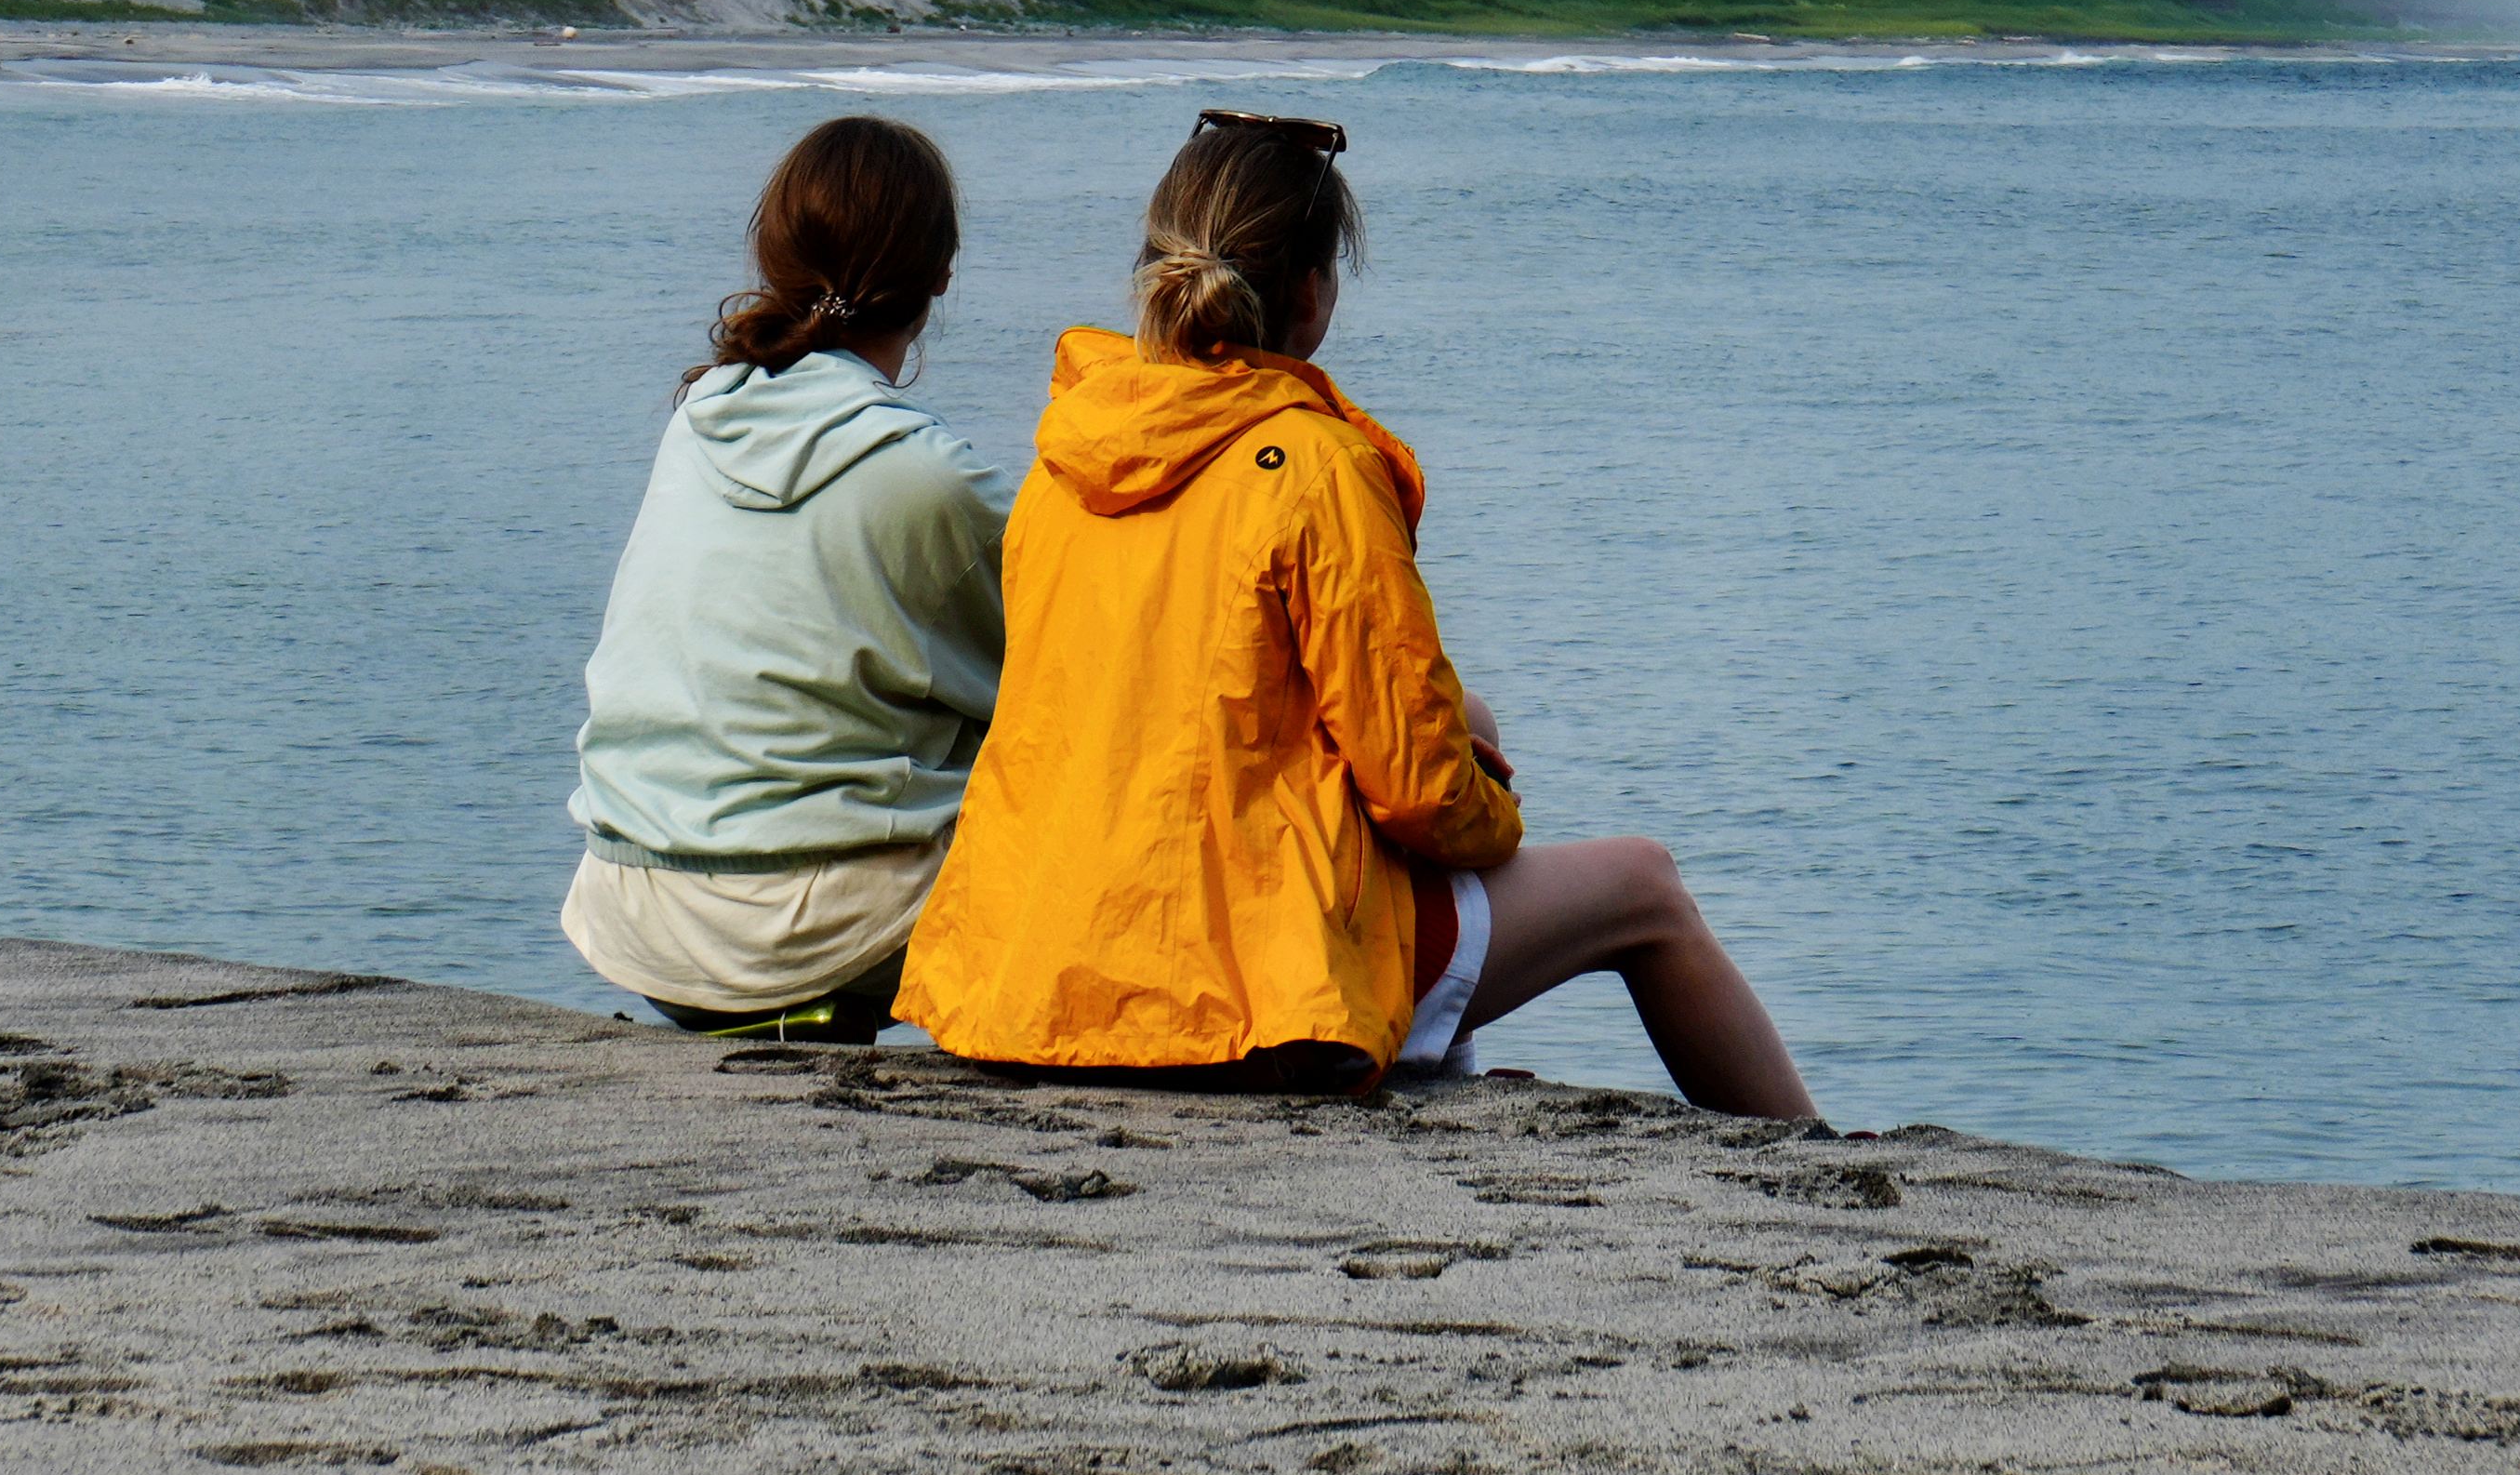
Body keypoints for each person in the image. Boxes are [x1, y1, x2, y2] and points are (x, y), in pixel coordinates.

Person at [897, 109, 1812, 1117]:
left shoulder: (1064, 459)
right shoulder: (1314, 468)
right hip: (1236, 1001)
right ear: (1309, 290)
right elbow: (1420, 787)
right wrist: (1495, 804)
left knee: (1468, 721)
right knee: (1646, 889)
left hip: (1040, 975)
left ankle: (1432, 1050)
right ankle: (1814, 1149)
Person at [560, 117, 1010, 1042]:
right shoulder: (931, 478)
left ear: (772, 254)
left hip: (634, 908)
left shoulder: (696, 422)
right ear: (941, 276)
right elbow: (1060, 683)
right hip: (811, 930)